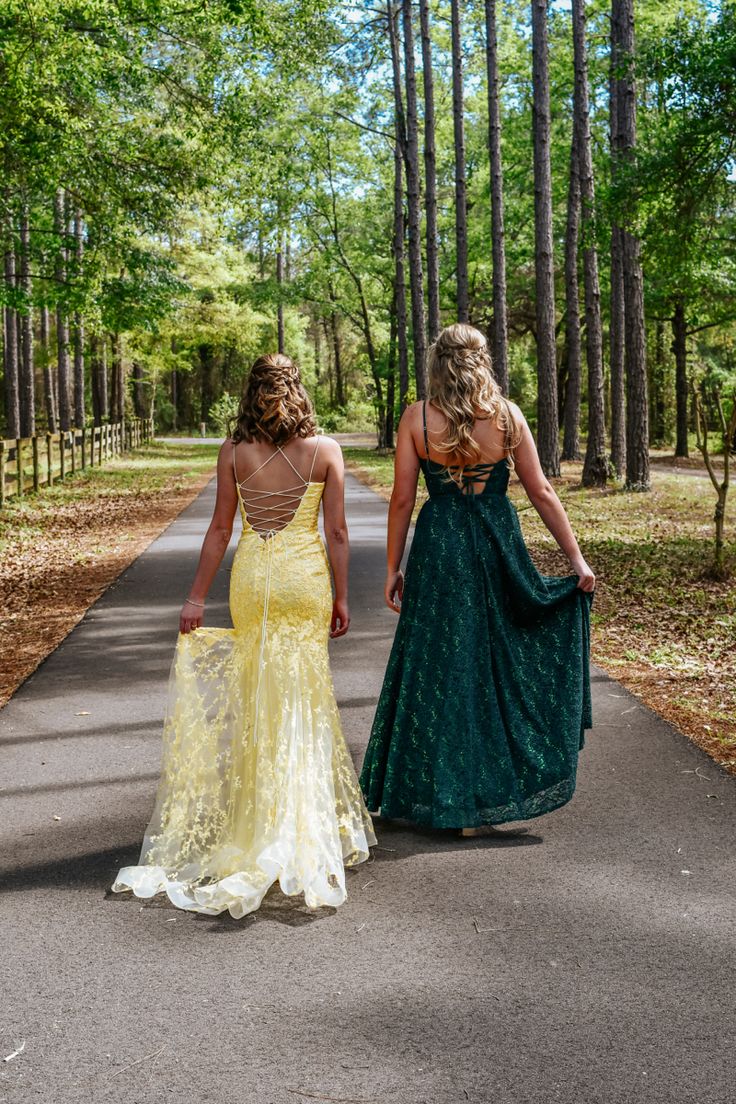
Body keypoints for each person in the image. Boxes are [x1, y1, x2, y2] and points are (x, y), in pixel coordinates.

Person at [113, 353, 375, 916]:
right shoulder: (325, 451)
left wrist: (195, 597)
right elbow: (337, 531)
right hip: (304, 581)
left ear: (251, 391)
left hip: (253, 580)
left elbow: (219, 528)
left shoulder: (233, 452)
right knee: (303, 696)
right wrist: (344, 597)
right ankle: (299, 823)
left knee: (260, 697)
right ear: (296, 388)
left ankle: (259, 823)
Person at [360, 323, 594, 836]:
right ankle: (481, 795)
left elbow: (402, 498)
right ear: (482, 361)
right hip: (494, 541)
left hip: (440, 543)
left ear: (437, 362)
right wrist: (576, 561)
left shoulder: (417, 418)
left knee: (437, 662)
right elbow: (541, 492)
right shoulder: (507, 417)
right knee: (491, 661)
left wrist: (392, 566)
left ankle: (441, 795)